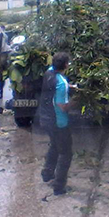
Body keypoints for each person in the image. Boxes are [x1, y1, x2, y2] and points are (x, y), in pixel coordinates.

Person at [39, 52, 76, 196]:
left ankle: (47, 173)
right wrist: (77, 99)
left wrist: (70, 87)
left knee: (54, 144)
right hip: (58, 122)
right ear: (66, 65)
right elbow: (63, 106)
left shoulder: (48, 72)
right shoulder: (61, 83)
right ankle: (59, 186)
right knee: (66, 153)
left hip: (45, 118)